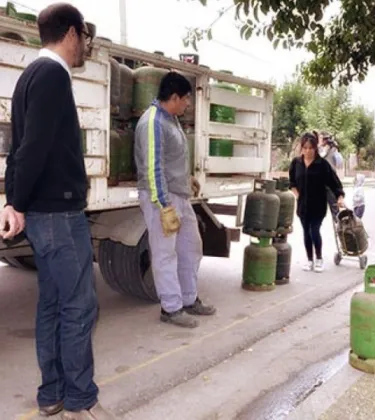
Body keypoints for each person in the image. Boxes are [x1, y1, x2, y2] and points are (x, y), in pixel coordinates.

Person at [0, 4, 115, 419]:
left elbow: (18, 149)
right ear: (70, 32)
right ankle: (81, 400)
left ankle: (52, 393)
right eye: (84, 34)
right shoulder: (50, 76)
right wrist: (18, 202)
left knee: (52, 304)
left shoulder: (28, 76)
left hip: (43, 215)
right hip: (59, 216)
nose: (85, 43)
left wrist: (15, 201)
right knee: (80, 306)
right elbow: (31, 149)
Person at [135, 71, 216, 329]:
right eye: (186, 99)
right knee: (165, 254)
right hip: (162, 198)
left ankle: (189, 299)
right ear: (173, 97)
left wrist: (187, 177)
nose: (188, 104)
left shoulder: (171, 119)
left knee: (191, 247)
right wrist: (163, 206)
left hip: (178, 195)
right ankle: (170, 308)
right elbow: (152, 167)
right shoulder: (152, 123)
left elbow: (172, 157)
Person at [289, 132, 345, 273]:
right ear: (302, 148)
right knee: (306, 233)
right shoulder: (296, 163)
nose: (307, 151)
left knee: (314, 230)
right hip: (303, 205)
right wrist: (297, 195)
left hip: (318, 205)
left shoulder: (322, 165)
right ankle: (309, 260)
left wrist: (340, 197)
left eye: (311, 148)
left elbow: (335, 183)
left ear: (315, 149)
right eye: (305, 148)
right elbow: (292, 183)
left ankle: (319, 259)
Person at [318, 131, 343, 220]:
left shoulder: (326, 150)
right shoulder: (332, 149)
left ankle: (338, 224)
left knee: (333, 205)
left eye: (321, 139)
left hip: (328, 179)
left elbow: (321, 156)